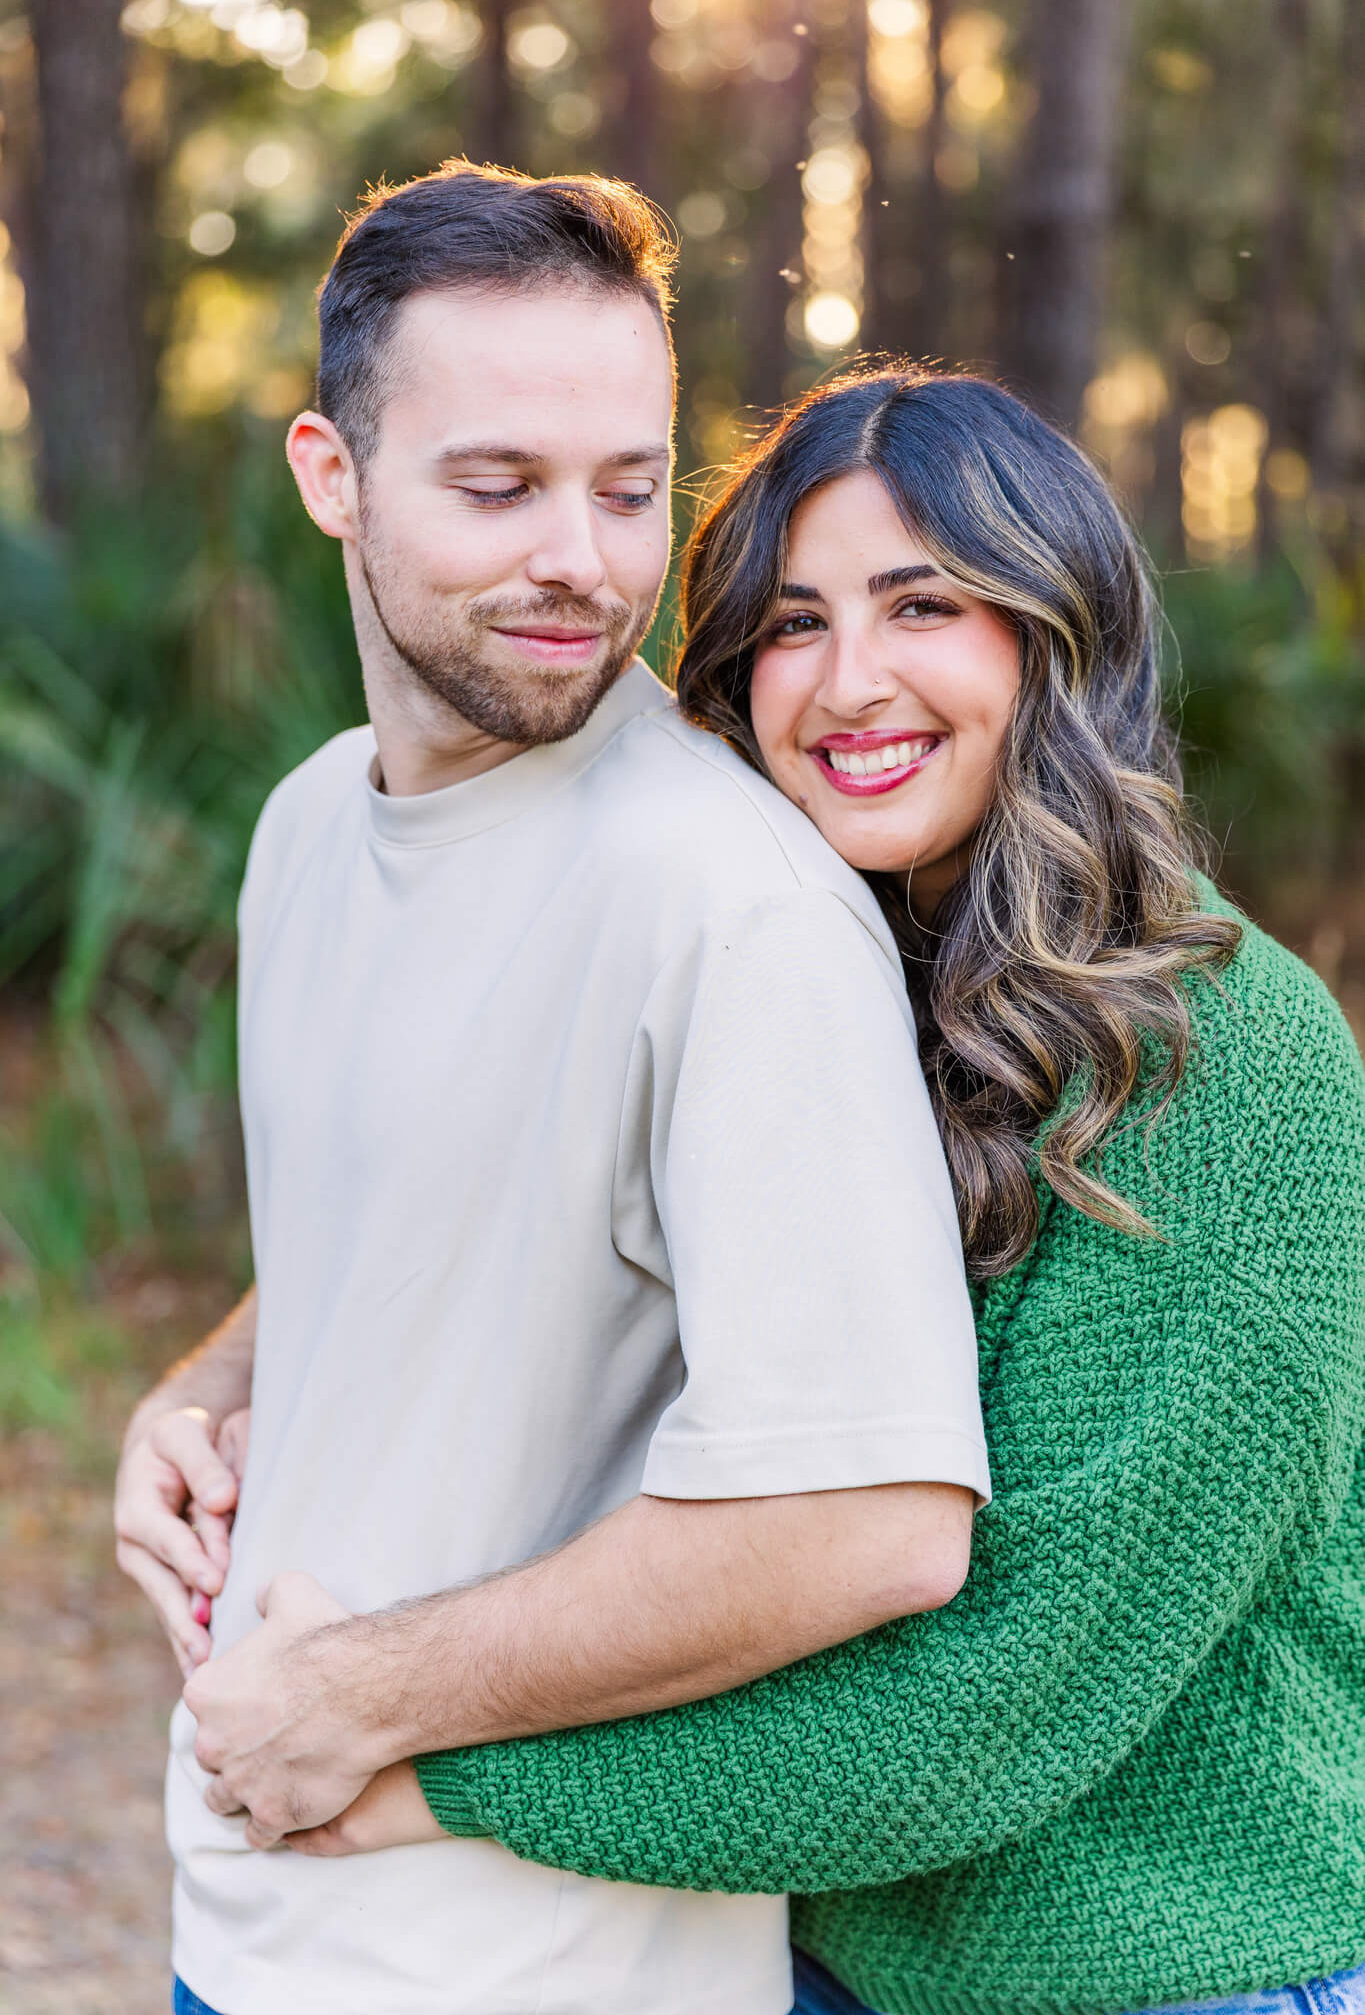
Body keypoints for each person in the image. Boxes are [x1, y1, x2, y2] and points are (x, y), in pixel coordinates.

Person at [257, 369, 1365, 2015]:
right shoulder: (794, 960)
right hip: (804, 1954)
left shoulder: (1222, 1067)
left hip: (1151, 1976)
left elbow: (981, 1711)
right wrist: (214, 1389)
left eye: (923, 605)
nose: (850, 685)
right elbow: (483, 1200)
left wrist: (419, 1770)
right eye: (791, 623)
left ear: (1054, 637)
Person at [113, 175, 991, 2015]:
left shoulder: (727, 900)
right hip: (254, 1922)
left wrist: (358, 1696)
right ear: (330, 475)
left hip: (548, 1966)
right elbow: (428, 1217)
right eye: (497, 487)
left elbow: (868, 1515)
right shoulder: (305, 829)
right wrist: (207, 1392)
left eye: (626, 486)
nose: (584, 563)